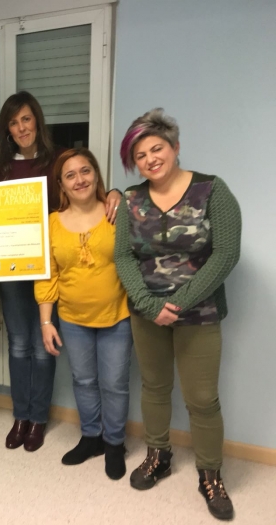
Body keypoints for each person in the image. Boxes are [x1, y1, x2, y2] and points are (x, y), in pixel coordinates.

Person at [0, 91, 122, 451]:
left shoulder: (59, 160)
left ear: (37, 121)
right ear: (7, 130)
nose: (21, 127)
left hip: (52, 267)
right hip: (13, 267)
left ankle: (38, 418)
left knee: (43, 346)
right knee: (18, 343)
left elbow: (86, 189)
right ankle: (20, 415)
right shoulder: (1, 166)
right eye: (13, 123)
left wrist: (116, 191)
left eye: (26, 119)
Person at [115, 108, 241, 520]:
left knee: (202, 399)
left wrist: (179, 303)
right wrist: (151, 306)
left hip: (199, 313)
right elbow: (123, 257)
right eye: (140, 155)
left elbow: (226, 254)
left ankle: (210, 475)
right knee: (154, 387)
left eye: (157, 148)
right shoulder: (130, 200)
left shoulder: (212, 190)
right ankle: (159, 456)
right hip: (147, 313)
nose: (150, 159)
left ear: (175, 147)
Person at [34, 148, 132, 479]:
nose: (80, 179)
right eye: (70, 175)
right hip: (72, 319)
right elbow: (47, 276)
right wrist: (46, 321)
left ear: (96, 175)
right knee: (84, 380)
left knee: (115, 384)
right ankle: (92, 437)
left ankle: (114, 443)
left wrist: (119, 193)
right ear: (61, 184)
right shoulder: (51, 223)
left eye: (86, 171)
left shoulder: (116, 213)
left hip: (116, 316)